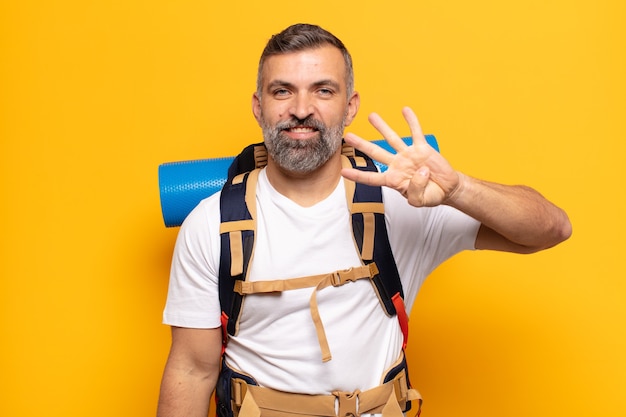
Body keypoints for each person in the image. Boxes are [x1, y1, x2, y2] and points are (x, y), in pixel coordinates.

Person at [156, 23, 571, 417]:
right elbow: (193, 370)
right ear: (258, 106)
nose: (302, 109)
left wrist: (459, 189)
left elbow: (552, 228)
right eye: (283, 91)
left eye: (323, 90)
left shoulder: (403, 204)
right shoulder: (212, 224)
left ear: (350, 106)